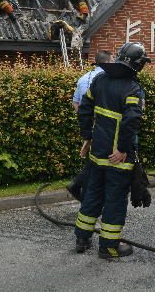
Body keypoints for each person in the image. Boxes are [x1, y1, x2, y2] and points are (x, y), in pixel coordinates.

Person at [74, 42, 151, 259]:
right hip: (118, 158)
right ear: (137, 65)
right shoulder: (132, 88)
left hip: (97, 153)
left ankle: (82, 238)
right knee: (115, 201)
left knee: (92, 195)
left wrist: (87, 138)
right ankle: (108, 247)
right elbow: (131, 120)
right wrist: (123, 149)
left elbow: (85, 110)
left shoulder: (99, 80)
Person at [65, 50, 113, 202]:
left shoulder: (83, 78)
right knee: (102, 161)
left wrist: (85, 122)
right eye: (112, 61)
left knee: (94, 160)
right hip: (105, 127)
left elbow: (76, 103)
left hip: (89, 126)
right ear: (108, 62)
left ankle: (82, 189)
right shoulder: (109, 79)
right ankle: (84, 190)